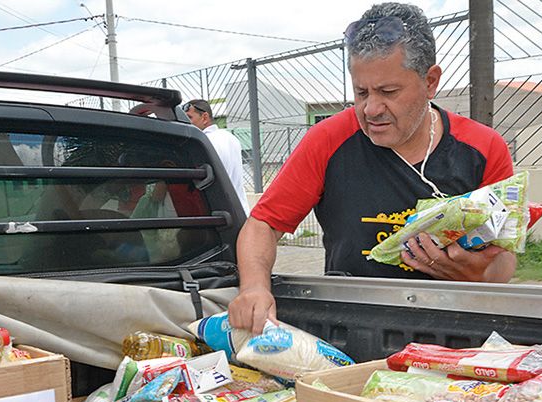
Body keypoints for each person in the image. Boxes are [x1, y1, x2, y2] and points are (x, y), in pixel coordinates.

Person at [229, 2, 516, 333]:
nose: (371, 109)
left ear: (431, 82)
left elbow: (504, 262)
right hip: (353, 323)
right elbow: (263, 224)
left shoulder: (482, 148)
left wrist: (477, 273)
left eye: (388, 92)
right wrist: (253, 286)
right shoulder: (328, 139)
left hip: (453, 327)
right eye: (361, 92)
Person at [183, 99, 250, 215]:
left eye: (189, 118)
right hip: (240, 212)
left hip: (218, 215)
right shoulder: (230, 137)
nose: (186, 123)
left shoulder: (203, 143)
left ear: (204, 117)